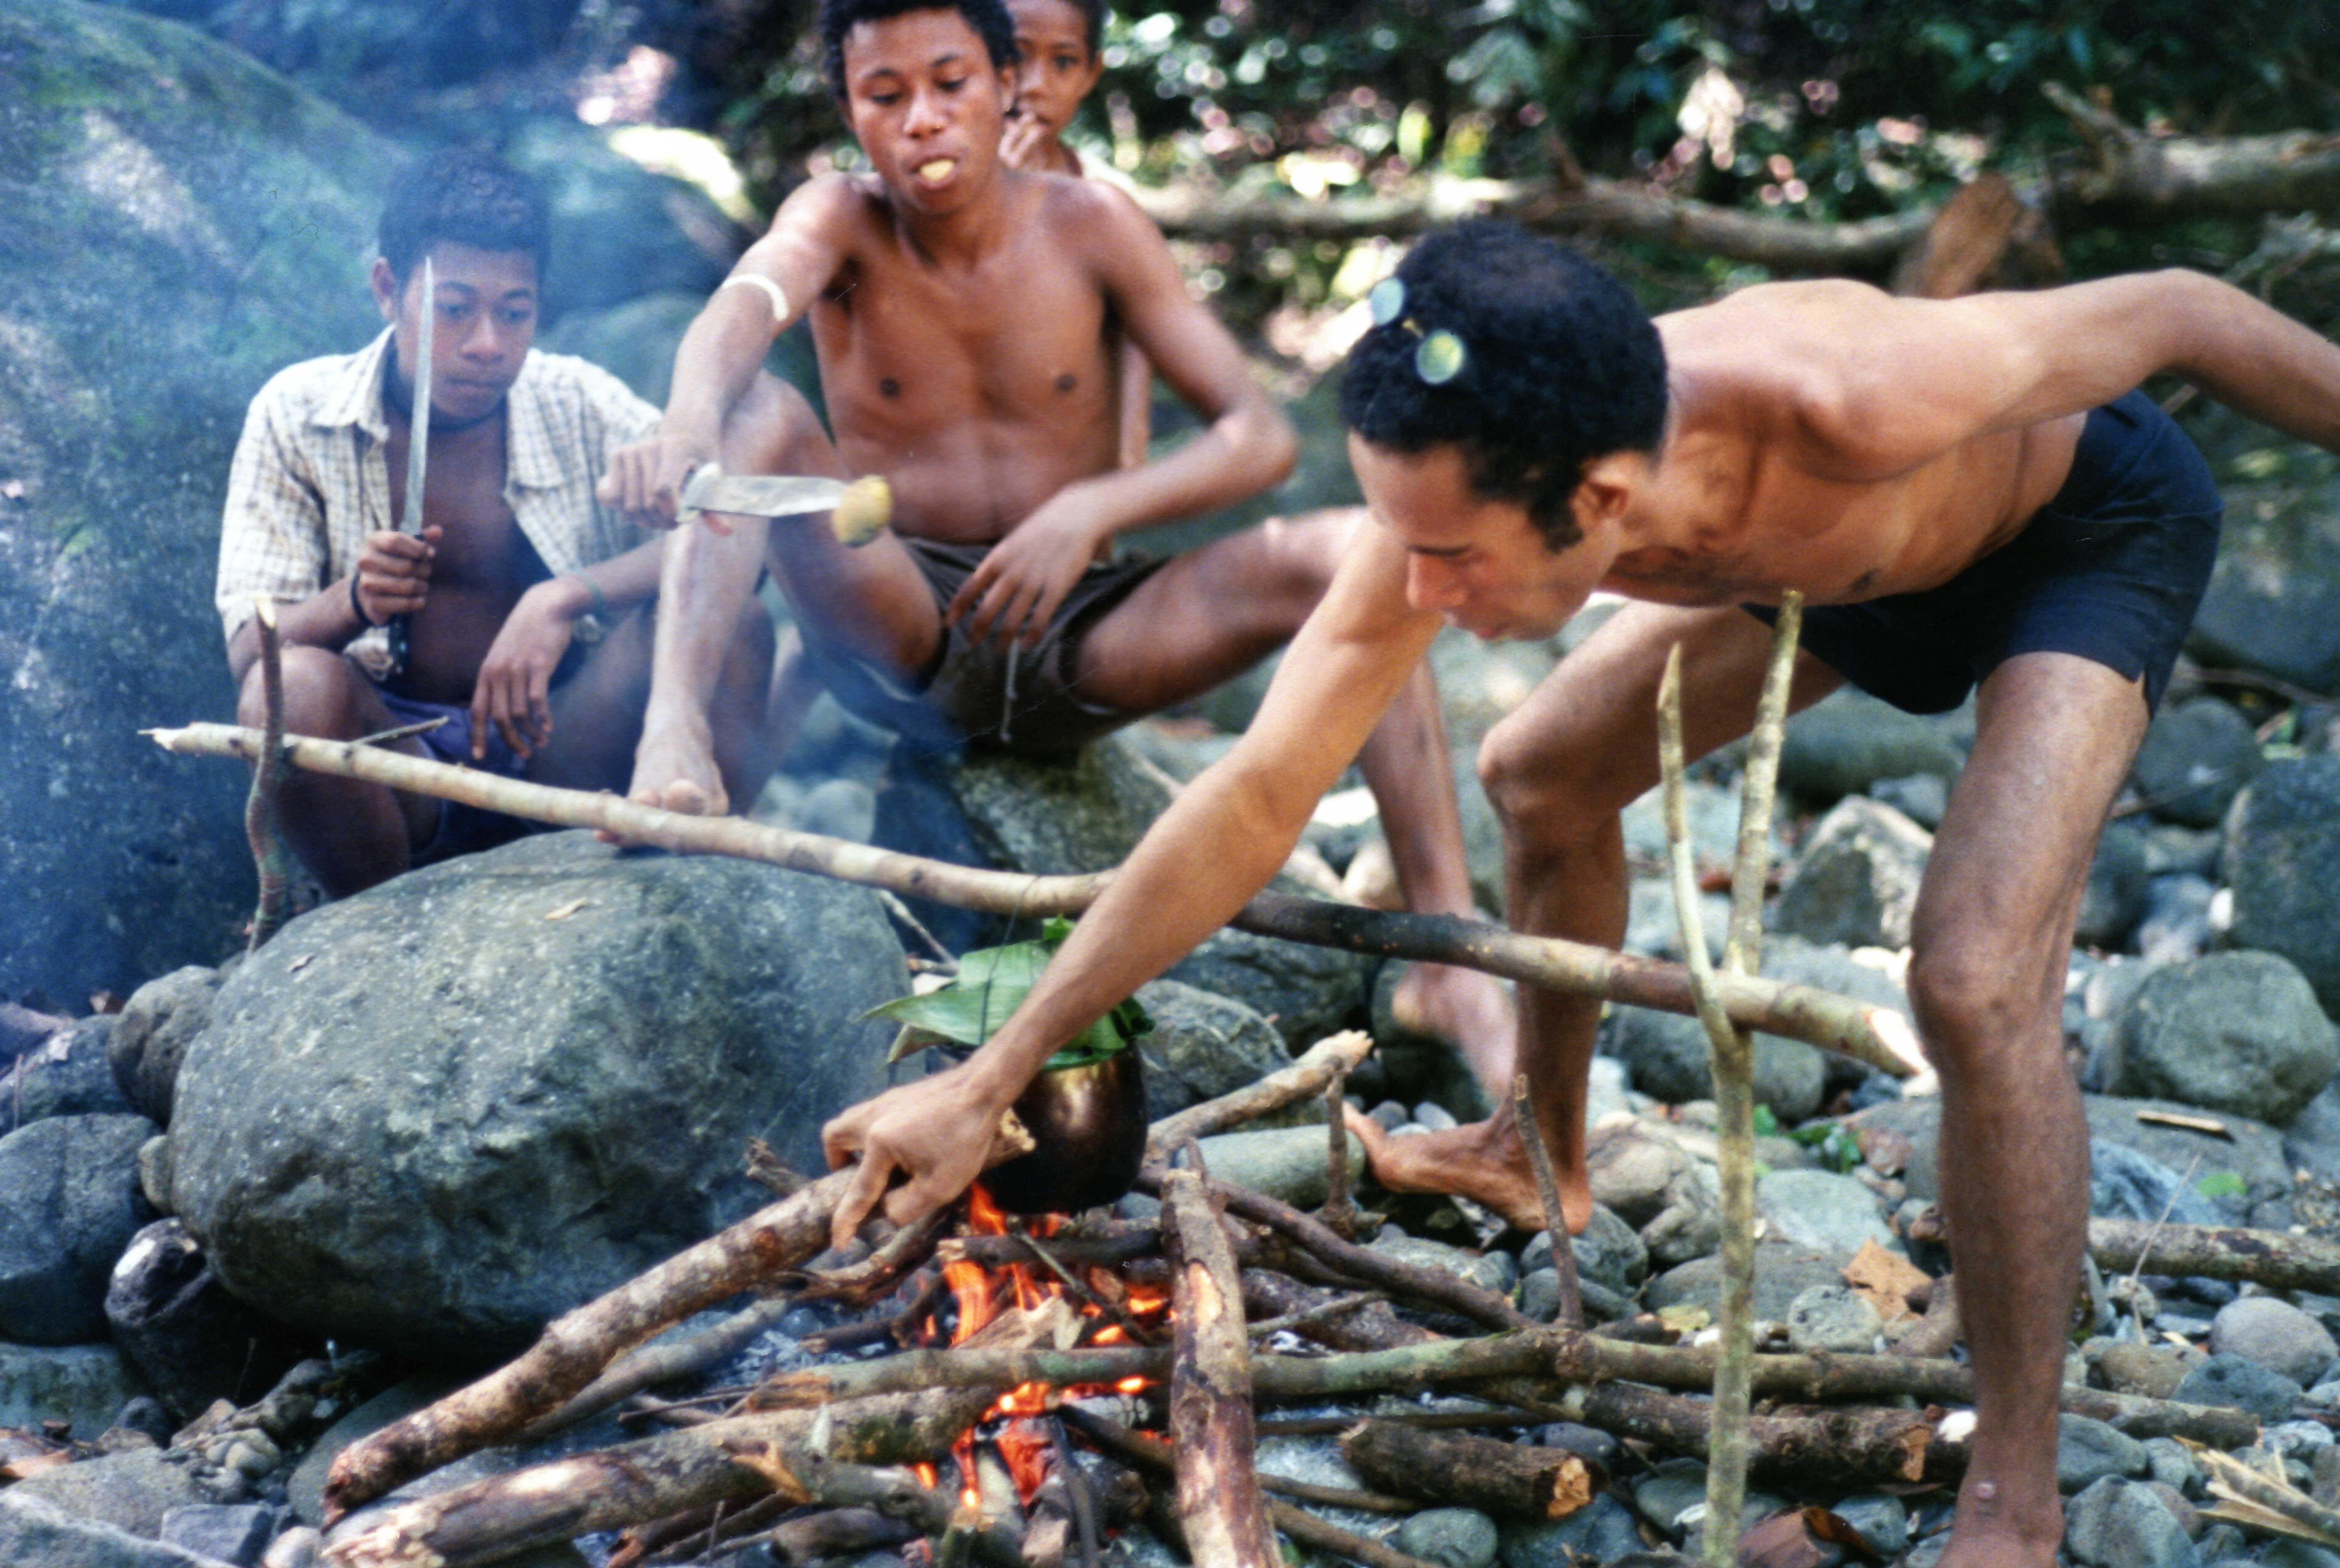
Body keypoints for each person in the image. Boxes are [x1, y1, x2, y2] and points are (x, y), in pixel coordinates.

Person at [821, 219, 2340, 1568]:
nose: (1414, 594)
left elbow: (2194, 306)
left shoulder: (1859, 387)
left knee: (1973, 974)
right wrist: (995, 1074)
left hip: (2083, 535)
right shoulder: (1490, 479)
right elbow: (1253, 798)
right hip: (1850, 585)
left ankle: (2016, 1489)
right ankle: (1536, 1148)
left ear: (1604, 501)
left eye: (1448, 559)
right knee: (1542, 771)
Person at [598, 0, 1513, 1064]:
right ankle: (676, 736)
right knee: (755, 411)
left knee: (1369, 550)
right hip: (901, 623)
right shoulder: (839, 218)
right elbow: (746, 302)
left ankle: (1448, 959)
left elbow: (1257, 435)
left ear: (1004, 86)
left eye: (952, 85)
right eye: (886, 97)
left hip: (1083, 629)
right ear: (852, 114)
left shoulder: (1092, 223)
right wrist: (687, 419)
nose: (924, 121)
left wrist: (1088, 512)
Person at [215, 151, 776, 897]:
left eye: (515, 312)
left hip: (562, 756)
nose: (487, 343)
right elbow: (250, 652)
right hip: (396, 774)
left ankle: (694, 906)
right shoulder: (298, 413)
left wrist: (570, 595)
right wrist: (351, 603)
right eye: (455, 309)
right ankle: (378, 935)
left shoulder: (575, 400)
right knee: (289, 693)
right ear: (389, 288)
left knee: (737, 625)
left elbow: (734, 533)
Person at [994, 0, 1150, 470]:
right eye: (1016, 55)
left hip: (1073, 460)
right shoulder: (933, 187)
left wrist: (1128, 459)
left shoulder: (1108, 198)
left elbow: (1133, 342)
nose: (1036, 84)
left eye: (1063, 62)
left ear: (1089, 74)